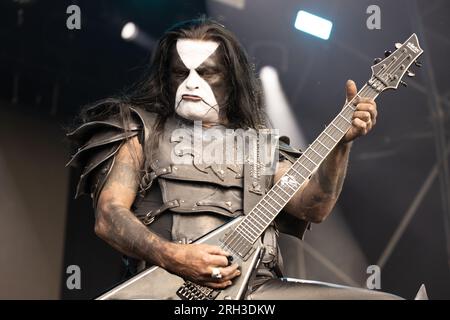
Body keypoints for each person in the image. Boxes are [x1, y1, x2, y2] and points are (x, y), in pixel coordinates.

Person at [67, 17, 402, 299]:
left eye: (207, 73)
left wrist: (342, 143)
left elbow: (314, 207)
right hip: (165, 288)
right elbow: (109, 216)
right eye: (180, 72)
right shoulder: (140, 129)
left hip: (258, 289)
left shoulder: (259, 145)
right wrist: (175, 257)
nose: (192, 83)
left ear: (230, 79)